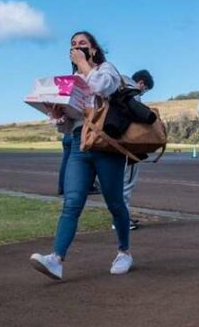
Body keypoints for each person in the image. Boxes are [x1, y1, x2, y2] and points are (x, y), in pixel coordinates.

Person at [31, 31, 133, 281]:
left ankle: (124, 252)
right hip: (79, 143)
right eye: (73, 45)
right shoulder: (72, 79)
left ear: (94, 50)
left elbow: (102, 87)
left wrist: (85, 65)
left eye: (82, 44)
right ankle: (56, 259)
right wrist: (57, 116)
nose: (77, 48)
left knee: (115, 202)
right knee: (72, 201)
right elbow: (69, 125)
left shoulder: (106, 69)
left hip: (106, 143)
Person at [119, 69, 154, 232]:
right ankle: (121, 220)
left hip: (114, 145)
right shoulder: (133, 93)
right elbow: (140, 117)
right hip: (129, 146)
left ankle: (120, 218)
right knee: (127, 184)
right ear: (141, 83)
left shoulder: (116, 87)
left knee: (119, 183)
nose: (143, 92)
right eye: (145, 89)